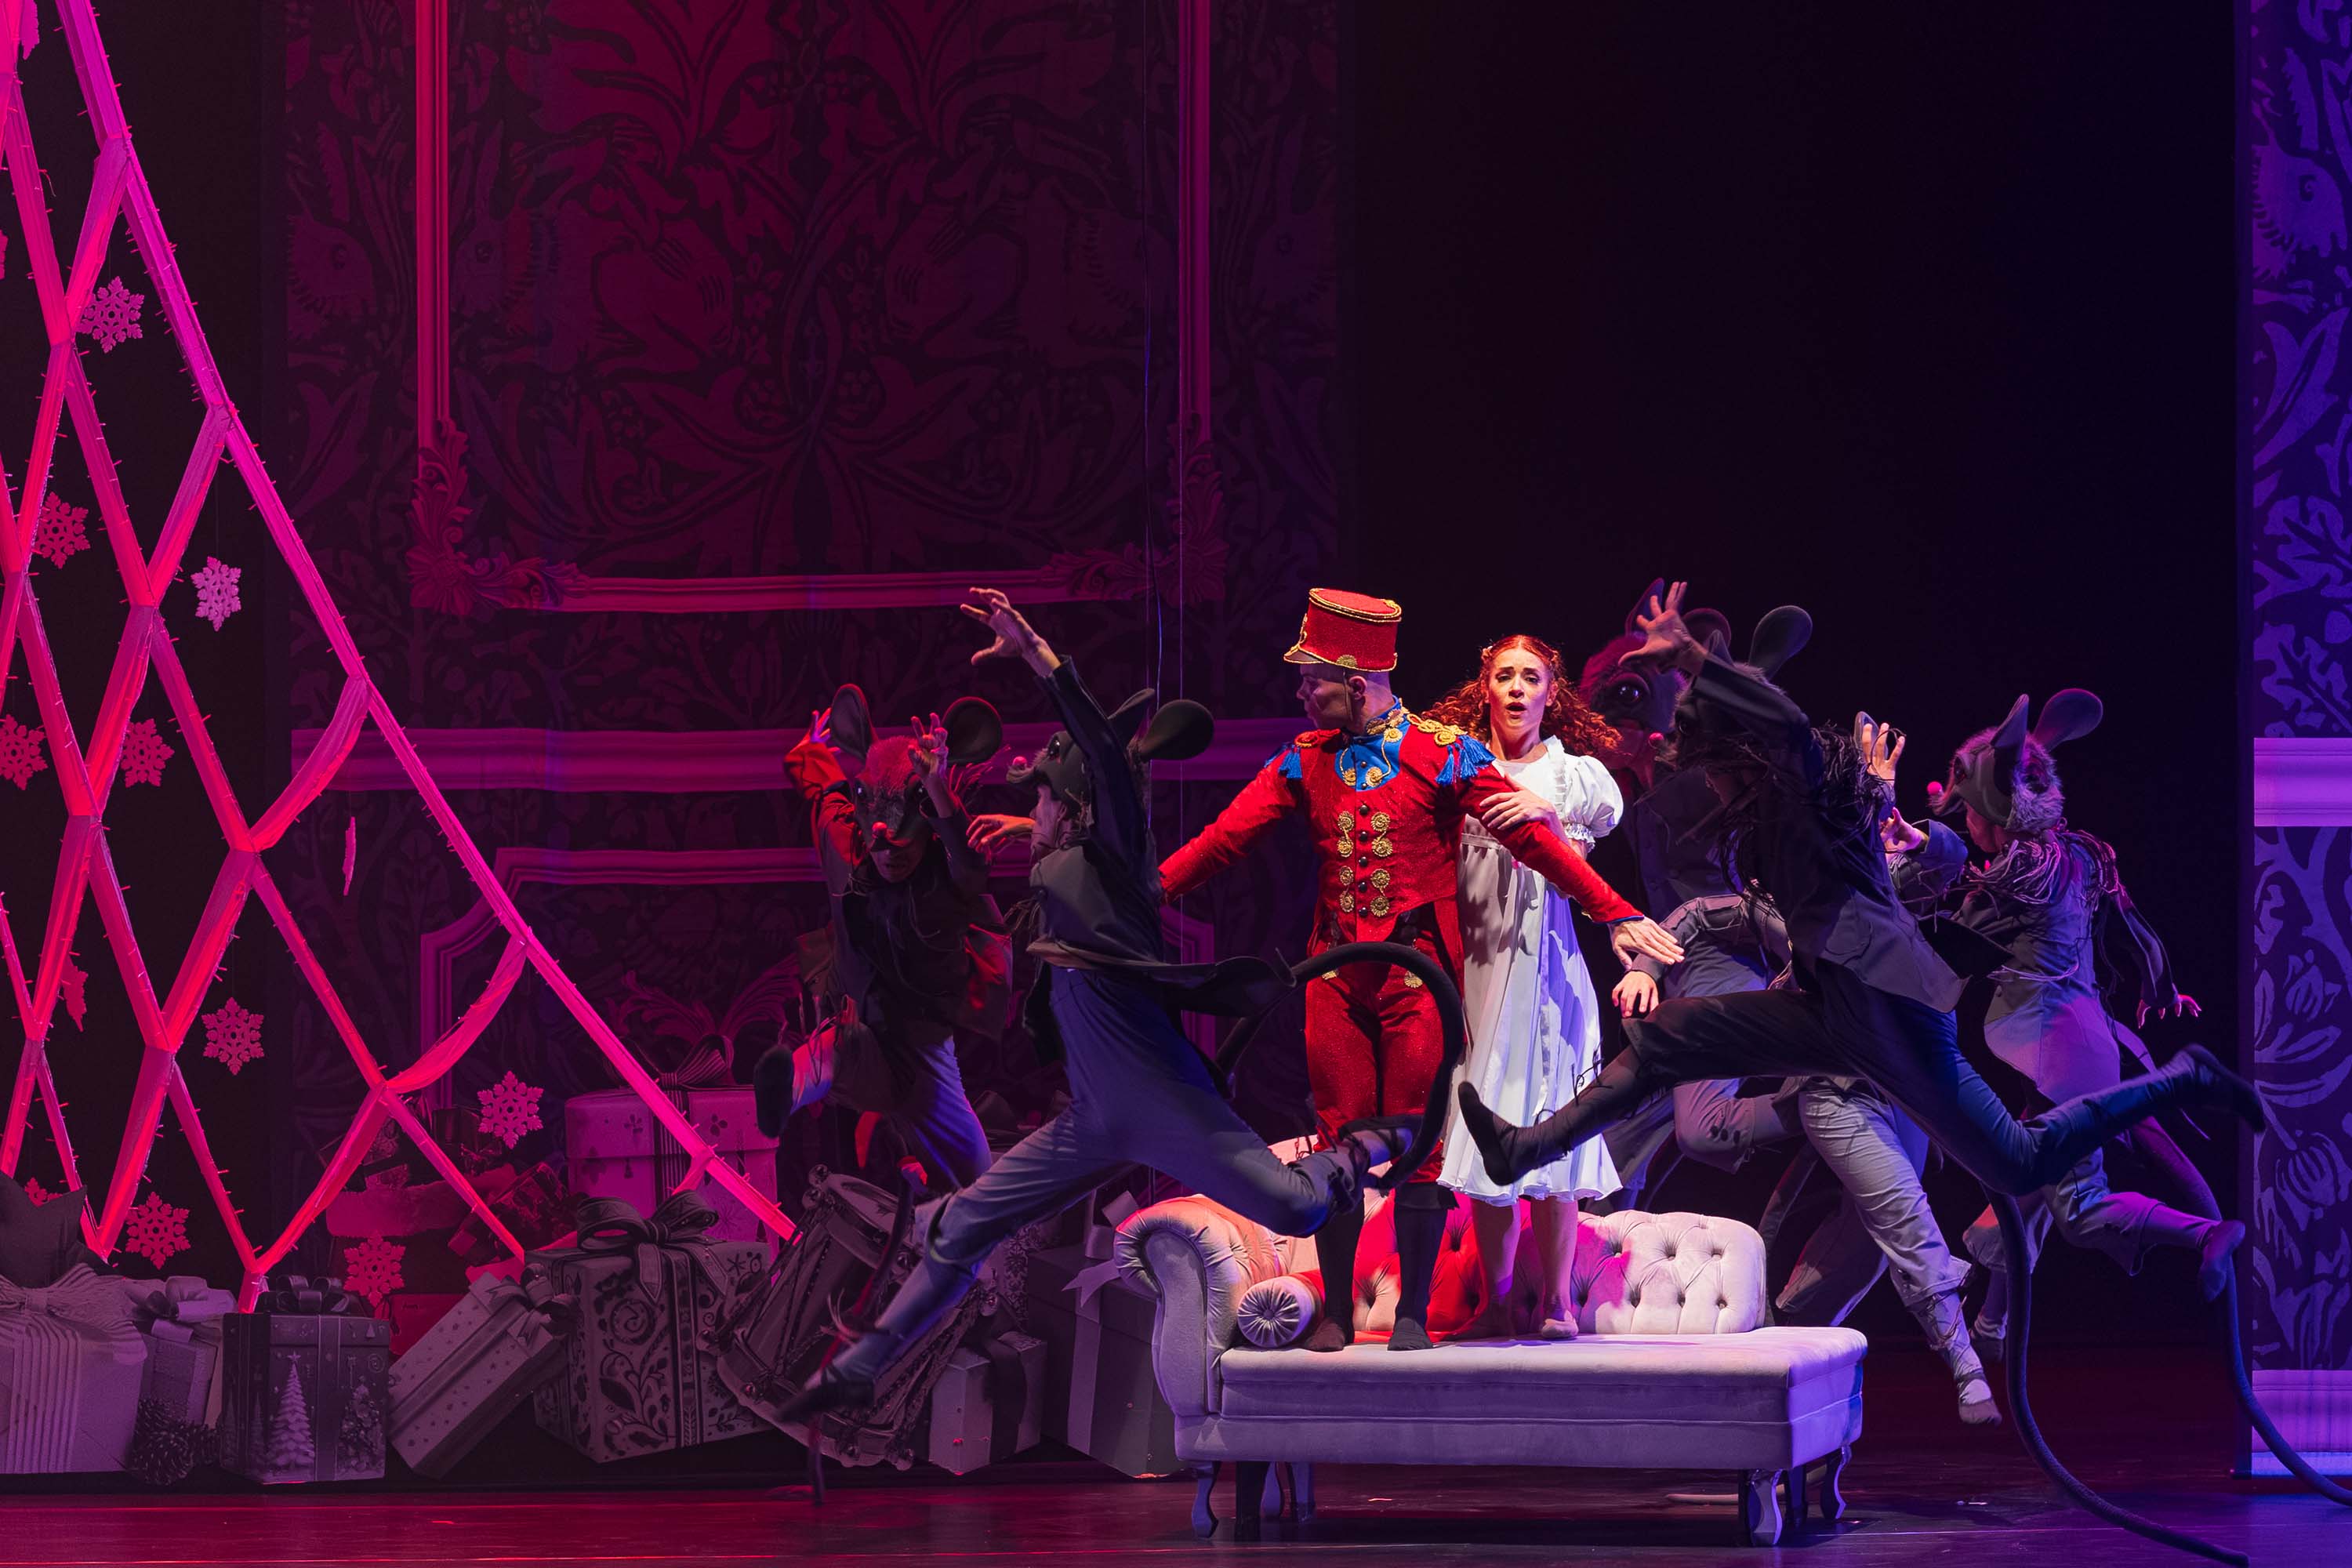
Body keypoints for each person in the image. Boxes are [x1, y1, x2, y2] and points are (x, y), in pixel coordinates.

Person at [782, 589, 1425, 1417]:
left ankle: (1366, 1143)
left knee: (1296, 1203)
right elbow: (1049, 846)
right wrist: (1020, 825)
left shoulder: (1117, 867)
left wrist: (1039, 656)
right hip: (1094, 1119)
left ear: (1078, 807)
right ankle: (862, 1365)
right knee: (965, 1222)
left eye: (1044, 802)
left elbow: (1106, 762)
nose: (1032, 813)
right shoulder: (1068, 867)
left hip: (1167, 1109)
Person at [1457, 584, 2266, 1223]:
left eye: (1714, 766)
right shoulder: (1765, 818)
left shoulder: (1804, 784)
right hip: (1829, 1002)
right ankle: (1523, 1149)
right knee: (1671, 1038)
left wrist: (1696, 656)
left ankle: (2184, 1076)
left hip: (1888, 1003)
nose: (1707, 782)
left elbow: (1787, 724)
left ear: (1743, 759)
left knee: (2018, 1161)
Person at [1160, 589, 1683, 1352]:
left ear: (1356, 681)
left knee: (1420, 1137)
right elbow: (1221, 840)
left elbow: (1536, 844)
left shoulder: (1443, 753)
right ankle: (1337, 1309)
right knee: (1337, 1136)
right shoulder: (1304, 760)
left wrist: (1615, 912)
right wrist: (1143, 895)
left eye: (1312, 678)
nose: (1301, 691)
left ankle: (1411, 1312)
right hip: (1336, 975)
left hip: (1420, 977)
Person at [1614, 720, 1999, 1426]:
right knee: (1896, 1208)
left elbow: (1944, 864)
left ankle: (1796, 1328)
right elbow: (1699, 914)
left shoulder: (1886, 880)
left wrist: (1909, 828)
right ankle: (1962, 1359)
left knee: (1864, 1243)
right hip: (1835, 1085)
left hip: (1905, 1082)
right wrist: (1645, 966)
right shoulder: (1781, 900)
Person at [1913, 690, 2245, 1348]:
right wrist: (2161, 985)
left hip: (2055, 1051)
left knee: (2081, 1208)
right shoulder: (2079, 854)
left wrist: (1910, 870)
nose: (1968, 824)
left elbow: (1942, 949)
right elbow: (2128, 921)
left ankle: (2207, 1233)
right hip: (2085, 1037)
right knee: (2020, 1180)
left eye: (1970, 812)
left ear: (1995, 814)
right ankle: (1995, 1321)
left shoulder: (2018, 878)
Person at [1421, 634, 1628, 1339]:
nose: (1516, 688)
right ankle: (1498, 1302)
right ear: (1485, 687)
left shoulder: (1575, 778)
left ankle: (1559, 1303)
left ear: (1551, 692)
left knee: (1555, 1128)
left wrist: (1546, 819)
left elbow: (1582, 881)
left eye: (1530, 677)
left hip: (1550, 974)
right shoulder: (1457, 766)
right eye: (1504, 676)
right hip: (1477, 972)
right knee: (1486, 1119)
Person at [750, 690, 1010, 1188]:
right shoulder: (848, 848)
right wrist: (811, 750)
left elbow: (971, 860)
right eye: (881, 847)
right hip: (864, 1024)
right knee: (837, 1049)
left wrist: (935, 785)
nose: (890, 855)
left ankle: (972, 1217)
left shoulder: (942, 875)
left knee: (972, 1174)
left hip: (922, 1043)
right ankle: (786, 1086)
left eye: (903, 847)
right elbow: (828, 796)